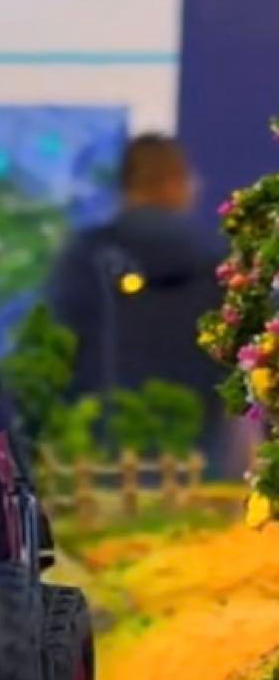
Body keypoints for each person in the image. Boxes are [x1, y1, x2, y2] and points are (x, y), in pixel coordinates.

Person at [47, 134, 228, 459]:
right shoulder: (219, 272)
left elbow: (58, 352)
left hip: (99, 454)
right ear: (178, 184)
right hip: (197, 453)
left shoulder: (83, 260)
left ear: (125, 187)